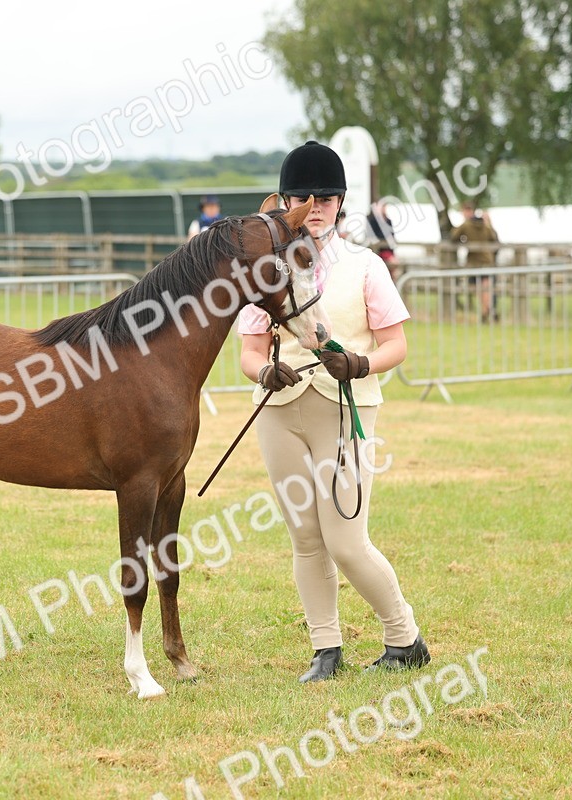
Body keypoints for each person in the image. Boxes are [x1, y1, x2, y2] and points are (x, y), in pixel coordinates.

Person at [237, 140, 429, 683]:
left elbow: (397, 344)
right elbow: (248, 355)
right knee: (305, 537)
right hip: (280, 413)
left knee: (345, 540)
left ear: (341, 203)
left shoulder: (365, 266)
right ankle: (326, 648)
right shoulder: (268, 269)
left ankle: (404, 634)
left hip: (345, 412)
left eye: (326, 196)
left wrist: (362, 363)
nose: (315, 205)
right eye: (303, 196)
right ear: (285, 202)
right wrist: (263, 373)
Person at [449, 199, 500, 323]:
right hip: (487, 261)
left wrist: (463, 240)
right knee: (485, 289)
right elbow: (494, 238)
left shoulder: (466, 225)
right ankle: (487, 311)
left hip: (474, 263)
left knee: (479, 289)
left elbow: (453, 236)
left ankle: (487, 311)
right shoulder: (485, 225)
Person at [367, 200, 400, 280]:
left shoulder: (388, 221)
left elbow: (392, 236)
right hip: (378, 250)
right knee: (393, 264)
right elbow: (374, 236)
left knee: (394, 265)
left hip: (388, 249)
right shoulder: (373, 220)